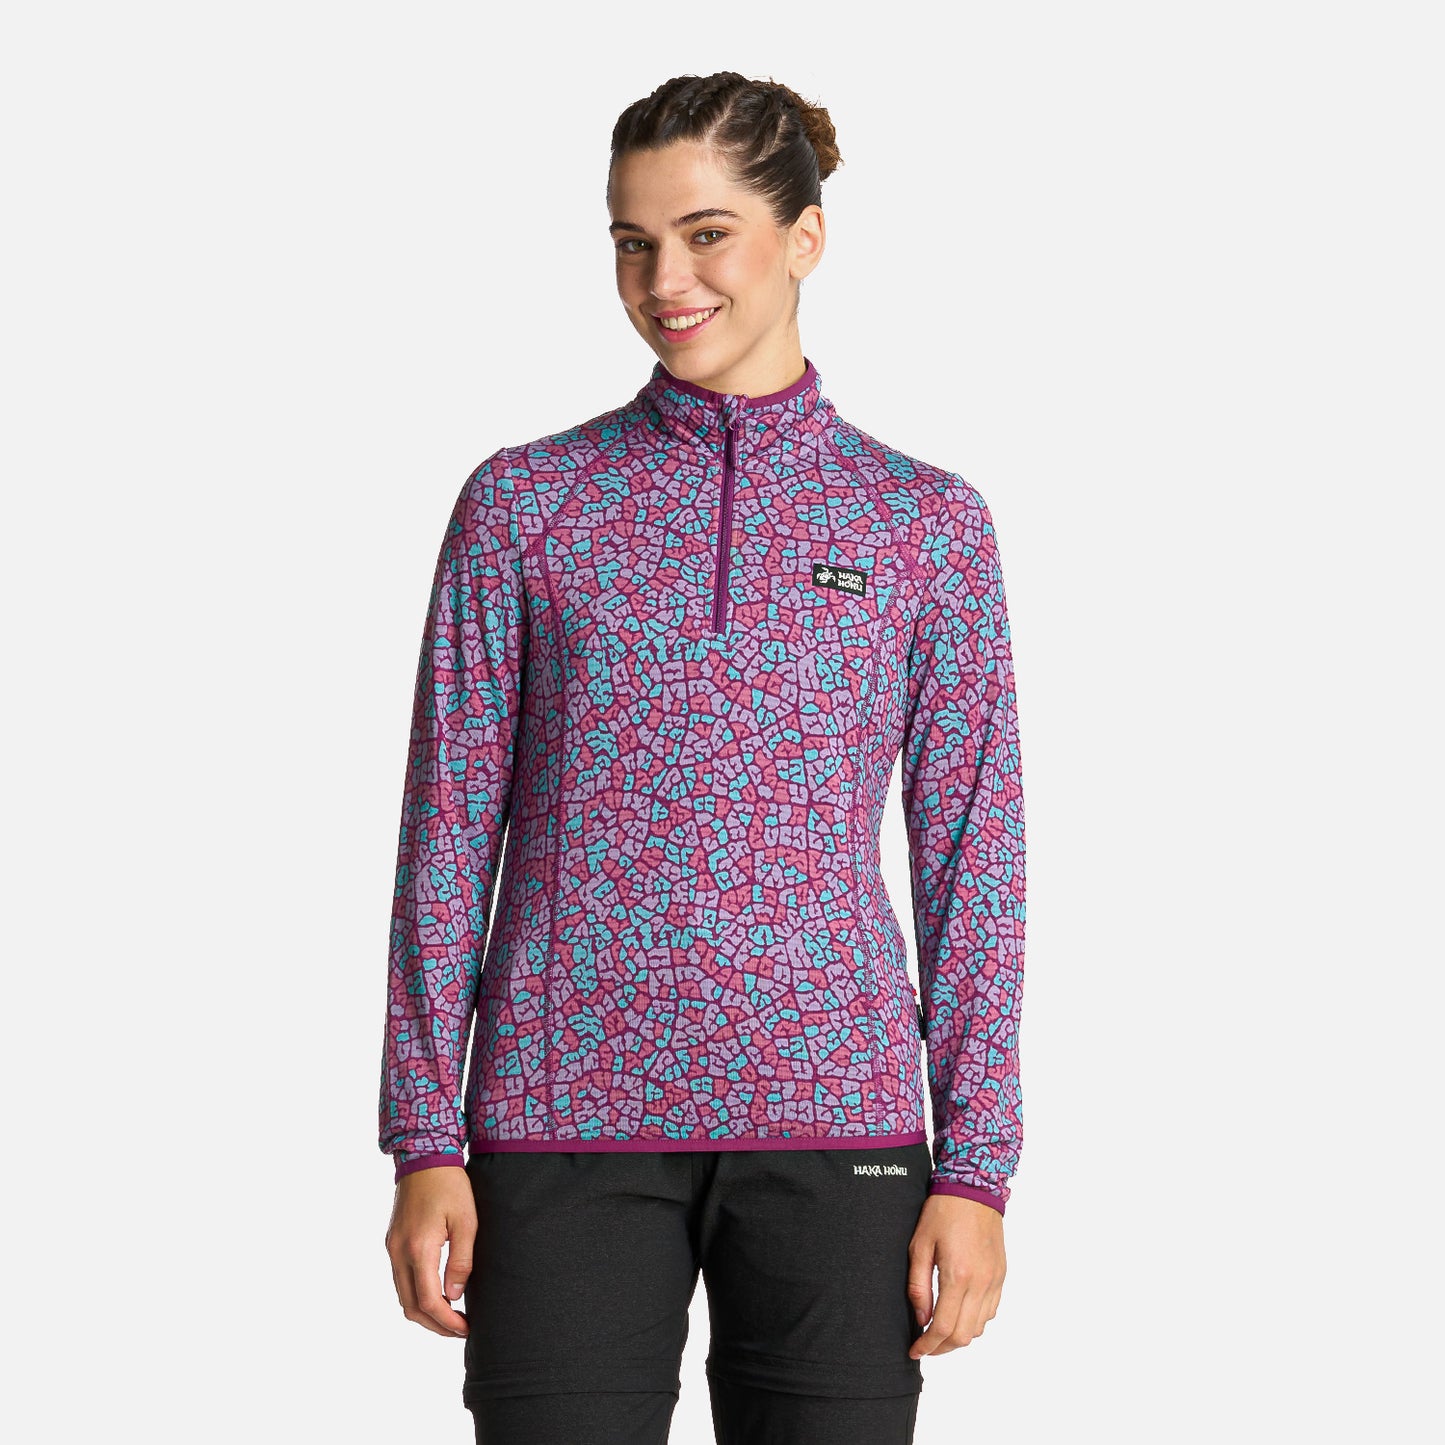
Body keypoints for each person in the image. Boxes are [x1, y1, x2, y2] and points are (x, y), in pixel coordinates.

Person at [379, 71, 1026, 1445]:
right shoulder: (526, 504)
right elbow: (447, 831)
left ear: (805, 237)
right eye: (633, 240)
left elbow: (976, 855)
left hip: (838, 1124)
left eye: (707, 233)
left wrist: (976, 1167)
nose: (664, 279)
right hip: (557, 1123)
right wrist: (424, 1135)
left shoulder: (925, 525)